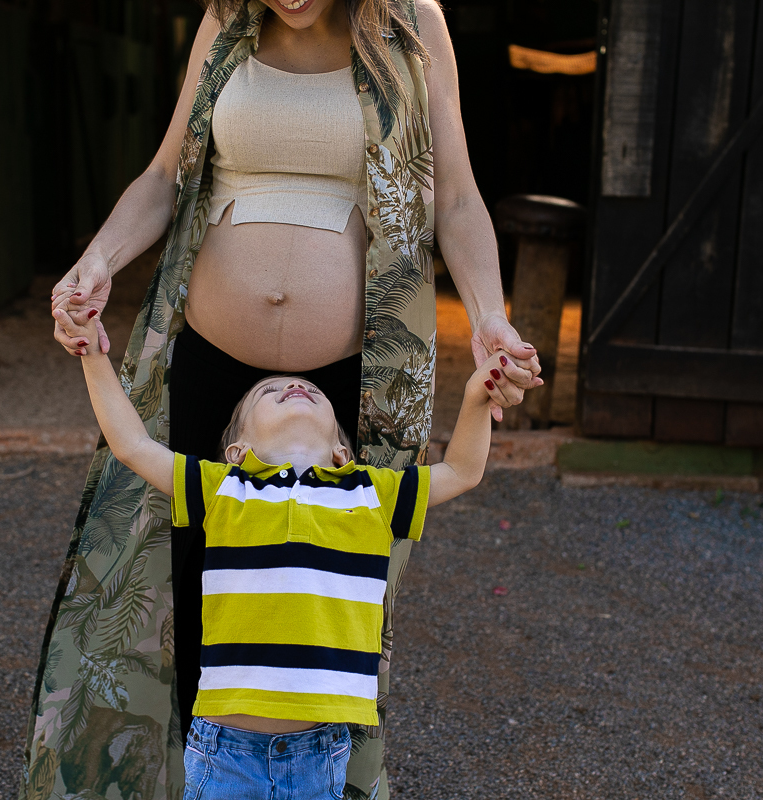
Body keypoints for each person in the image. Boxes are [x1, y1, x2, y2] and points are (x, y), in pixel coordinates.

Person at [20, 1, 541, 798]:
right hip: (210, 367)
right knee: (195, 597)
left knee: (326, 605)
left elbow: (459, 201)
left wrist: (492, 320)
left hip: (350, 384)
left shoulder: (414, 26)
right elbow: (165, 178)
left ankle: (321, 780)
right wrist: (97, 262)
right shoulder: (226, 20)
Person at [55, 301, 508, 800]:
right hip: (225, 750)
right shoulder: (224, 488)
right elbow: (133, 446)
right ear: (238, 451)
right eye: (268, 392)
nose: (294, 385)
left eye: (313, 391)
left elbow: (463, 471)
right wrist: (92, 357)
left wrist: (476, 397)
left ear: (342, 449)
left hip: (321, 753)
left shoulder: (370, 494)